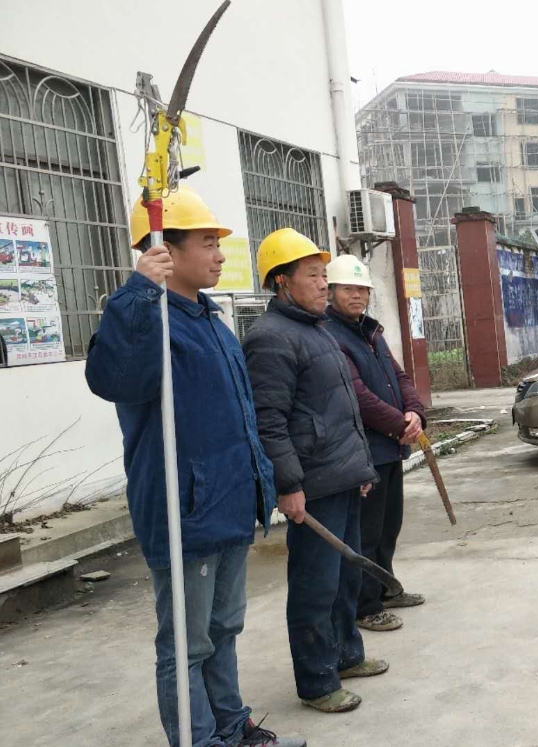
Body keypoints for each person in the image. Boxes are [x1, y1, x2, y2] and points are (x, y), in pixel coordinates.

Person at [85, 187, 305, 747]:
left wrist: (264, 486)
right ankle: (199, 740)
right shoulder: (147, 320)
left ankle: (232, 726)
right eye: (208, 243)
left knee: (223, 629)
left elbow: (243, 419)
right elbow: (113, 379)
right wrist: (137, 293)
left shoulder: (211, 319)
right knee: (187, 643)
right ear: (166, 248)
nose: (219, 254)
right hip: (186, 510)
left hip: (228, 505)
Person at [241, 228, 383, 713]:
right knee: (315, 586)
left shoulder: (317, 330)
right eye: (313, 275)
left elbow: (342, 409)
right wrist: (288, 484)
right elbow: (269, 421)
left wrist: (360, 468)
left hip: (342, 475)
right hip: (312, 484)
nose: (324, 284)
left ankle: (346, 656)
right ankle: (318, 680)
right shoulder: (270, 338)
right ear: (281, 281)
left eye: (324, 275)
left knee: (344, 578)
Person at [323, 255, 427, 632]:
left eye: (362, 289)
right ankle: (365, 606)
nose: (357, 295)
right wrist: (401, 424)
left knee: (387, 526)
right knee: (365, 533)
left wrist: (414, 412)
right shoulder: (331, 336)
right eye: (348, 289)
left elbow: (401, 378)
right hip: (364, 452)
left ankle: (385, 589)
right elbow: (359, 396)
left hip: (391, 449)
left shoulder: (371, 333)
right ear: (331, 291)